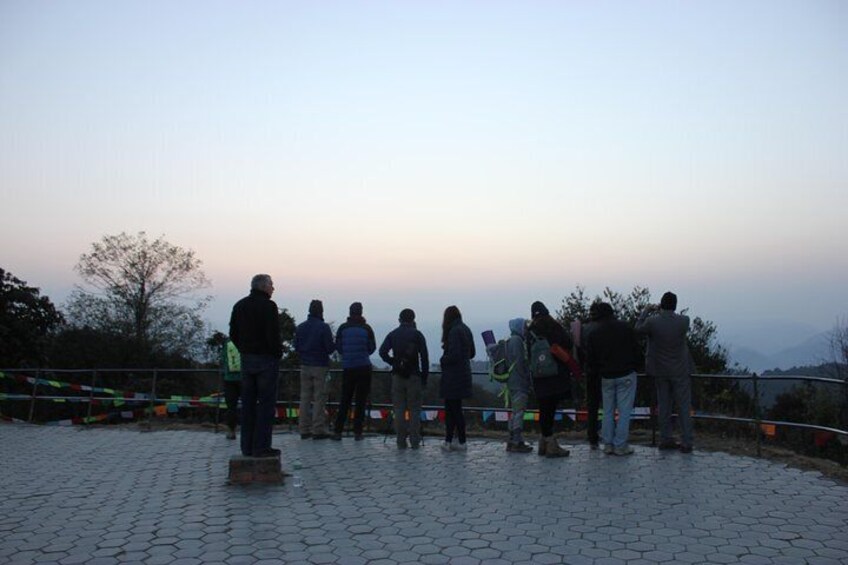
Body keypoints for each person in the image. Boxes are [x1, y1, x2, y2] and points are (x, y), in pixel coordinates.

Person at [229, 274, 282, 458]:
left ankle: (247, 446)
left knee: (248, 403)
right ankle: (262, 446)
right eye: (271, 285)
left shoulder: (240, 305)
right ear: (264, 286)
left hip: (247, 359)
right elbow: (273, 334)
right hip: (266, 360)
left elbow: (233, 332)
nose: (273, 288)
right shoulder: (269, 307)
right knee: (266, 404)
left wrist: (244, 349)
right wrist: (276, 353)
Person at [635, 291, 694, 453]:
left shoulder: (652, 322)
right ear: (675, 305)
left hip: (660, 370)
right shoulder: (684, 321)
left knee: (664, 406)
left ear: (661, 304)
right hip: (680, 370)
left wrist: (646, 311)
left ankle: (665, 439)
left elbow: (637, 329)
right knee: (683, 406)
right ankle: (687, 442)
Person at [585, 302, 642, 455]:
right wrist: (636, 366)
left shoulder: (594, 333)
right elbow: (637, 350)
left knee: (608, 411)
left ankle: (608, 444)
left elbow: (591, 359)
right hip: (626, 374)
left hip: (606, 376)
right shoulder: (625, 328)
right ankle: (620, 445)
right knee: (624, 412)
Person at [527, 301, 573, 457]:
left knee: (543, 409)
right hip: (555, 373)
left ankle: (544, 442)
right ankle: (551, 444)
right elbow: (567, 342)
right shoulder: (554, 327)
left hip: (538, 375)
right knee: (551, 409)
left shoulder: (530, 331)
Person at [379, 308, 429, 449]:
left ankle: (400, 440)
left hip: (397, 376)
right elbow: (424, 358)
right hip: (414, 376)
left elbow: (382, 352)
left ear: (399, 319)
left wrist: (393, 362)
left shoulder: (393, 334)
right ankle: (414, 440)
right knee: (414, 409)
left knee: (399, 409)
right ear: (413, 319)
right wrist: (424, 377)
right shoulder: (418, 335)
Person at [331, 302, 377, 441]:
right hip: (363, 366)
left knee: (345, 399)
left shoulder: (343, 328)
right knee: (361, 401)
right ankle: (358, 432)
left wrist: (347, 354)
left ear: (350, 312)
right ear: (361, 312)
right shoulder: (366, 328)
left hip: (348, 367)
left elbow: (338, 347)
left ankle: (338, 431)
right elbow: (372, 347)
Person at [294, 299, 335, 440]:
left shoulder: (301, 327)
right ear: (321, 311)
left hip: (304, 366)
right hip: (320, 366)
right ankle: (318, 429)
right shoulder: (323, 327)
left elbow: (296, 347)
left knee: (304, 398)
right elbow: (330, 348)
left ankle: (303, 429)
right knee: (319, 398)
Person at [439, 305, 476, 452]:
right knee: (456, 410)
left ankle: (455, 441)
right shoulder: (466, 329)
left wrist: (443, 359)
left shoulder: (454, 331)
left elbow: (453, 355)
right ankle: (456, 440)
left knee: (452, 410)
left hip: (453, 376)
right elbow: (472, 353)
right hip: (463, 374)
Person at [505, 318, 533, 453]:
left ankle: (513, 440)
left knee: (515, 411)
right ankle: (516, 441)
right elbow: (520, 363)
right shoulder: (517, 341)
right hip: (518, 382)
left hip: (512, 382)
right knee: (519, 412)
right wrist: (527, 379)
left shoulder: (511, 340)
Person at [576, 314, 602, 450]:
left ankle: (592, 436)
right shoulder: (602, 328)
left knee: (592, 405)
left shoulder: (584, 329)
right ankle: (610, 434)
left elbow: (579, 348)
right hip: (603, 370)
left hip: (589, 370)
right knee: (609, 405)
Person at [220, 336, 242, 440]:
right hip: (245, 378)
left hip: (229, 378)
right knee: (249, 406)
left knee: (231, 407)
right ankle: (250, 430)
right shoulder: (248, 338)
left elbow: (223, 358)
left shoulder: (228, 342)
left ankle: (231, 430)